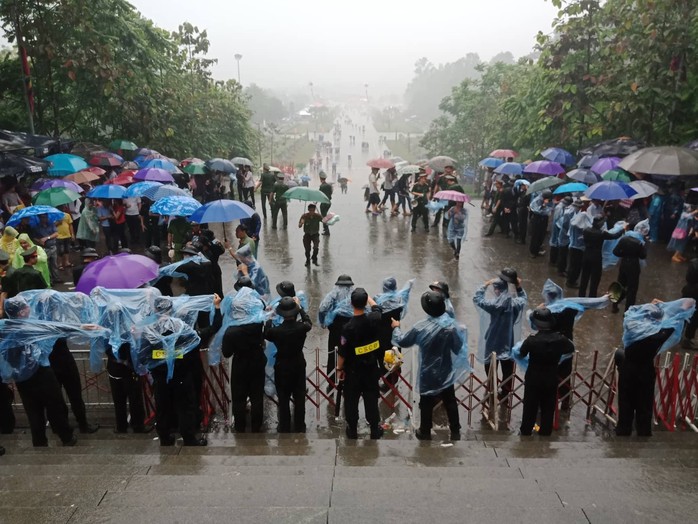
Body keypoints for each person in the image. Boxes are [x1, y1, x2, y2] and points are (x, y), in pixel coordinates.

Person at [0, 297, 105, 446]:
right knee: (55, 405)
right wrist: (88, 328)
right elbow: (59, 328)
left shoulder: (4, 327)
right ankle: (66, 437)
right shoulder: (32, 327)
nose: (29, 307)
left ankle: (39, 440)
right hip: (41, 373)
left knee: (33, 410)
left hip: (20, 378)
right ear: (22, 312)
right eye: (26, 306)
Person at [391, 290, 468, 440]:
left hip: (427, 371)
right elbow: (458, 348)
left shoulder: (421, 327)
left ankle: (425, 431)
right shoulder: (451, 327)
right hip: (446, 370)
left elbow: (402, 341)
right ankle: (455, 431)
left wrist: (396, 327)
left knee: (426, 401)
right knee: (450, 400)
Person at [615, 298, 695, 436]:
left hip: (628, 369)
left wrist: (651, 305)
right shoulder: (659, 335)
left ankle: (623, 430)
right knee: (644, 404)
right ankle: (643, 432)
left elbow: (632, 311)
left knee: (625, 402)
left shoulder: (632, 326)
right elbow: (675, 322)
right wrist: (680, 309)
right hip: (645, 371)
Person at [517, 308, 574, 436]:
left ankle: (526, 432)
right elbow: (570, 348)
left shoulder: (531, 340)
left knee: (530, 407)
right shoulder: (560, 340)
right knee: (548, 408)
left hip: (533, 378)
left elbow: (521, 353)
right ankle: (545, 432)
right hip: (551, 378)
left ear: (537, 325)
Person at [336, 288, 384, 439]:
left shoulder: (348, 328)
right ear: (365, 304)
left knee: (351, 400)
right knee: (371, 399)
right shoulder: (374, 319)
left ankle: (352, 430)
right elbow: (377, 307)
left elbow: (342, 352)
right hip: (371, 368)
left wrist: (339, 368)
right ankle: (375, 430)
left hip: (353, 371)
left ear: (351, 303)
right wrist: (368, 298)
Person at [473, 268, 527, 400]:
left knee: (490, 366)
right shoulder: (515, 304)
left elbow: (477, 298)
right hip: (508, 341)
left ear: (497, 290)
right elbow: (524, 298)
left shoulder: (492, 305)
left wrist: (484, 285)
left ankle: (492, 389)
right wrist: (519, 288)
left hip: (492, 340)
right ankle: (506, 393)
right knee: (508, 369)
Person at [221, 287, 267, 432]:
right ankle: (256, 425)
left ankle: (240, 426)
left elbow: (227, 353)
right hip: (257, 361)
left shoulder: (231, 331)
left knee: (239, 397)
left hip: (240, 364)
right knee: (257, 396)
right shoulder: (258, 324)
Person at [264, 296, 311, 433]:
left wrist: (269, 317)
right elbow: (308, 321)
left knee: (283, 397)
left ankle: (284, 426)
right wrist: (300, 308)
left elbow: (266, 333)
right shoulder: (302, 328)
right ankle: (300, 425)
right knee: (300, 395)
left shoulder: (276, 331)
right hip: (298, 363)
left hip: (282, 364)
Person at [318, 275, 355, 388]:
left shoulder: (333, 294)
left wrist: (323, 321)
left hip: (336, 327)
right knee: (349, 352)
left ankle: (331, 382)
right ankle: (348, 380)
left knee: (333, 353)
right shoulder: (354, 294)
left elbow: (322, 308)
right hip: (351, 326)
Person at [579, 215, 626, 298]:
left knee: (584, 276)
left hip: (586, 254)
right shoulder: (601, 233)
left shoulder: (586, 230)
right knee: (595, 278)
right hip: (596, 256)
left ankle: (581, 295)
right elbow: (614, 236)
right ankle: (592, 296)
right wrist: (622, 230)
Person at [612, 220, 649, 312]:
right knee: (632, 289)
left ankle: (614, 305)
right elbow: (643, 256)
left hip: (624, 264)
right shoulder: (640, 242)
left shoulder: (624, 238)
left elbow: (615, 252)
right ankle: (628, 311)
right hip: (634, 266)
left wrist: (624, 255)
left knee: (619, 285)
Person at [565, 200, 589, 288]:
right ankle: (571, 282)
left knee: (572, 265)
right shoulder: (580, 220)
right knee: (576, 266)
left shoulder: (575, 219)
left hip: (573, 246)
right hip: (578, 248)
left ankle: (570, 280)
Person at [32, 213, 61, 283]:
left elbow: (56, 233)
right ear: (40, 218)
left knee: (54, 264)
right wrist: (39, 240)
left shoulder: (51, 224)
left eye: (45, 217)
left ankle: (56, 278)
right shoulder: (36, 227)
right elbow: (34, 237)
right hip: (44, 248)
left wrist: (47, 237)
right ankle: (49, 280)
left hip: (53, 246)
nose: (44, 219)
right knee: (46, 264)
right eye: (42, 217)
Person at [528, 190, 554, 258]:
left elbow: (551, 208)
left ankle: (538, 249)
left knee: (541, 235)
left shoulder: (549, 200)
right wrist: (543, 205)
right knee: (535, 236)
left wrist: (547, 206)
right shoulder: (537, 200)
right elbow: (536, 210)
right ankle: (532, 251)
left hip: (544, 219)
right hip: (537, 219)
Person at [681, 259, 698, 349]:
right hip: (696, 293)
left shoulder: (694, 262)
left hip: (688, 290)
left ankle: (676, 334)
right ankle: (687, 340)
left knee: (683, 313)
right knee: (694, 317)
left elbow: (688, 277)